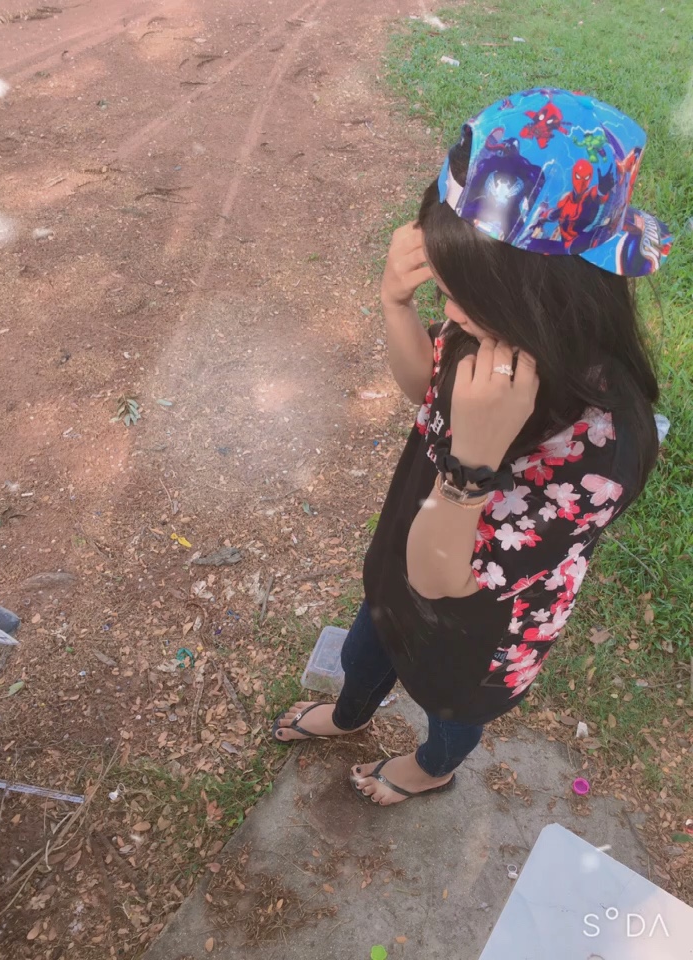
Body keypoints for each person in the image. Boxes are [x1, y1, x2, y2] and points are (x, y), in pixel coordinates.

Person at [272, 88, 672, 806]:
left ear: (542, 294)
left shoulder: (604, 447)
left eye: (464, 293)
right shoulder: (488, 329)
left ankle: (433, 768)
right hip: (405, 556)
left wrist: (471, 465)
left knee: (452, 713)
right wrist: (394, 303)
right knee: (368, 646)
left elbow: (442, 582)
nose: (449, 311)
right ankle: (352, 712)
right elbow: (420, 390)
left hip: (484, 627)